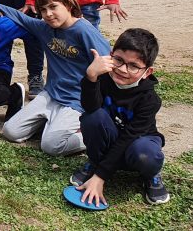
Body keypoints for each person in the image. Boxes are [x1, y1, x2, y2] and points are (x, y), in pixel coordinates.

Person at [0, 0, 111, 156]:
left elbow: (108, 63)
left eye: (53, 7)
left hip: (77, 101)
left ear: (68, 4)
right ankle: (52, 124)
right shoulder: (45, 28)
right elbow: (21, 18)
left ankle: (97, 134)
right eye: (43, 9)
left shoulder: (84, 31)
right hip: (51, 95)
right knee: (11, 131)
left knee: (51, 146)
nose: (48, 14)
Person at [71, 28, 169, 207]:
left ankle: (150, 175)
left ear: (147, 71)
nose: (123, 69)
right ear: (110, 55)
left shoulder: (150, 100)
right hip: (111, 139)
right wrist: (91, 77)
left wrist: (100, 177)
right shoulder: (103, 78)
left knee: (146, 154)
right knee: (92, 118)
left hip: (135, 144)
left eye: (133, 66)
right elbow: (90, 108)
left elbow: (128, 138)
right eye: (118, 60)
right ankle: (95, 162)